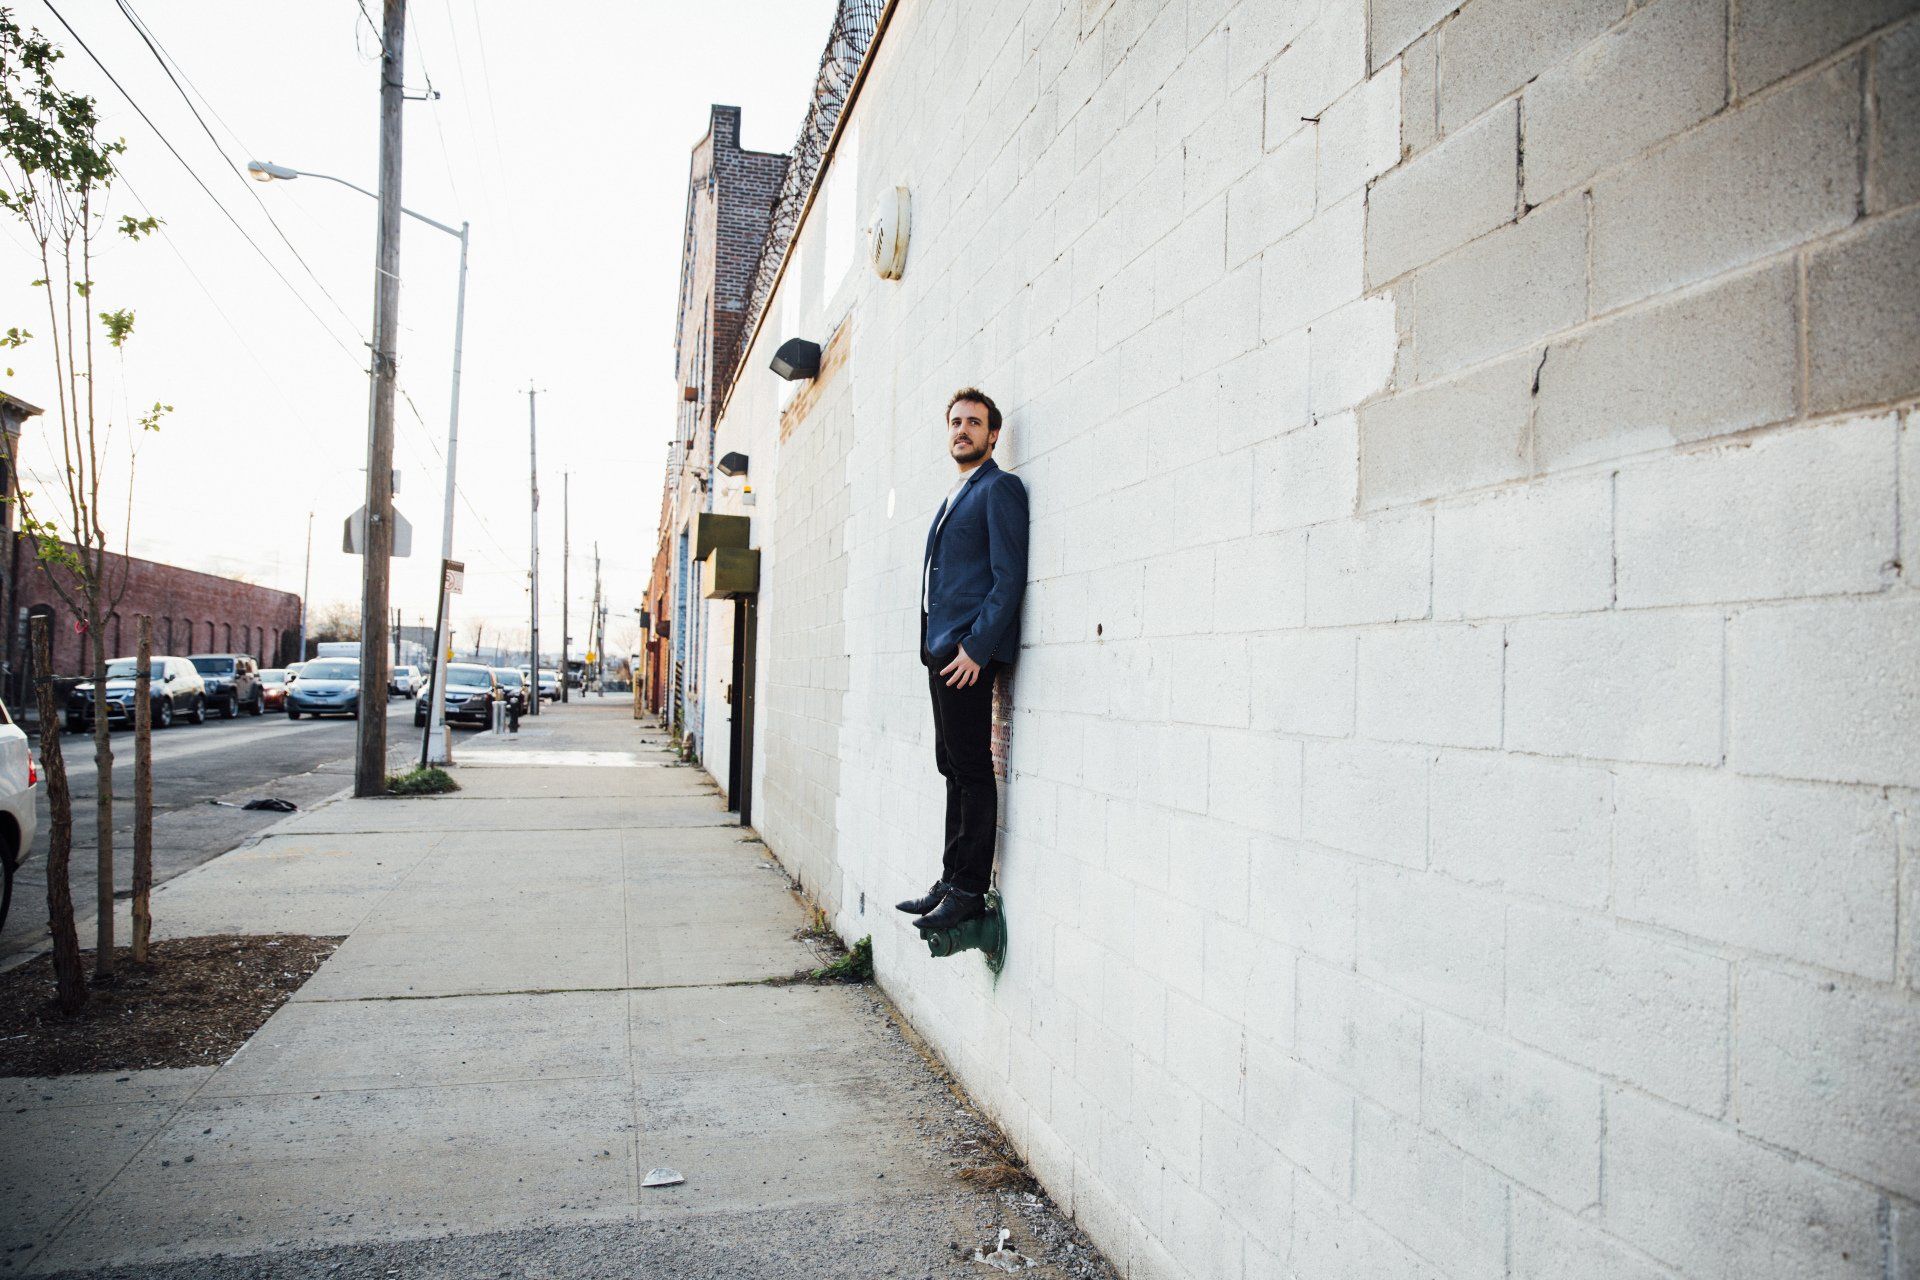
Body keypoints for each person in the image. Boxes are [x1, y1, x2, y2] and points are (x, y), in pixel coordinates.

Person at [897, 388, 1029, 933]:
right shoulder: (956, 492)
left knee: (972, 768)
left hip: (966, 653)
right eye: (956, 422)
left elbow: (1008, 578)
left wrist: (977, 647)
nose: (962, 430)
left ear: (993, 434)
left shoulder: (1000, 488)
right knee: (950, 765)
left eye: (974, 422)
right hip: (940, 650)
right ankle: (951, 878)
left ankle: (970, 889)